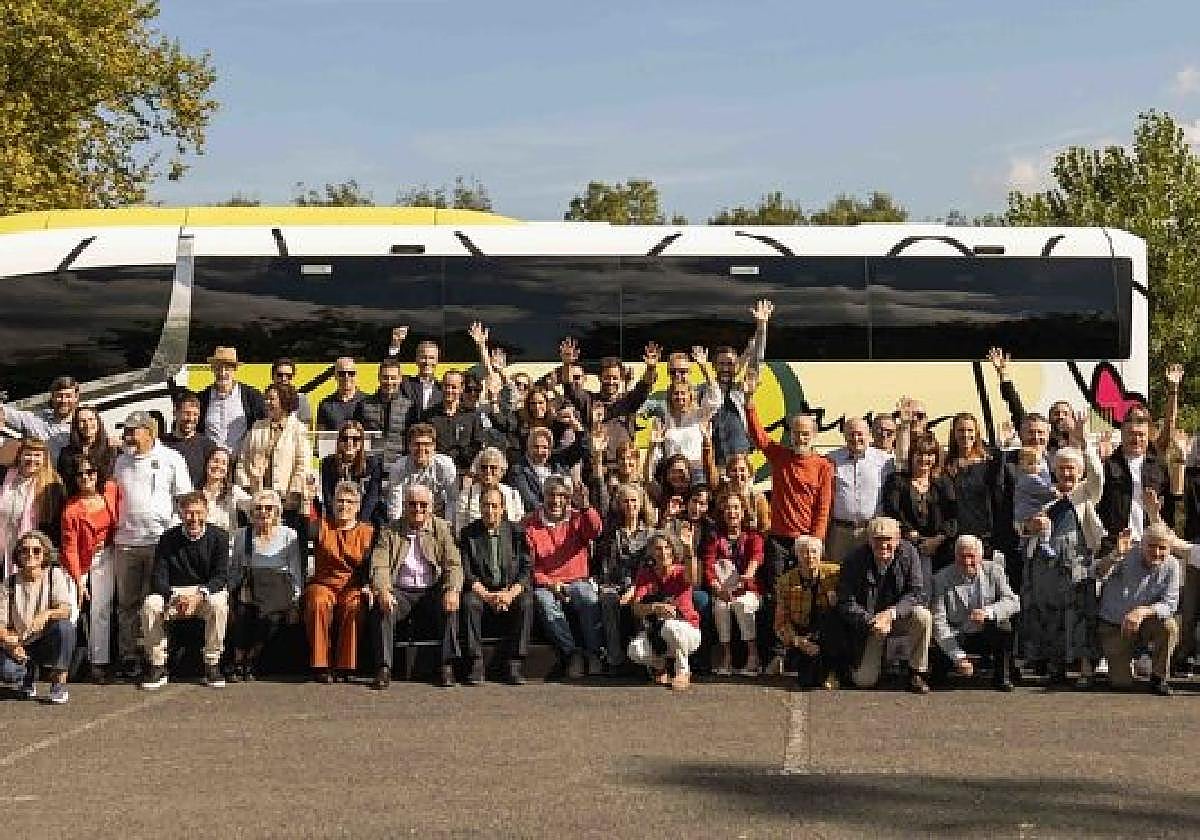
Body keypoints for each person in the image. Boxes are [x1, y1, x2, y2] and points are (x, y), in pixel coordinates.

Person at [111, 410, 192, 678]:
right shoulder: (120, 461)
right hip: (126, 542)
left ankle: (154, 656)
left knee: (155, 601)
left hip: (159, 542)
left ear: (150, 431)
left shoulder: (171, 459)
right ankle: (128, 656)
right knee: (127, 604)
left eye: (133, 431)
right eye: (126, 432)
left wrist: (176, 536)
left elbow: (184, 498)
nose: (128, 436)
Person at [1020, 445, 1104, 687]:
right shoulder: (1042, 491)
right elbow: (1020, 523)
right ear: (1054, 470)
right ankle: (1055, 666)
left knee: (1081, 613)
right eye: (1062, 468)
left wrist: (1085, 442)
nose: (1067, 473)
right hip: (1045, 560)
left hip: (1076, 559)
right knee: (1049, 613)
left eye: (1072, 469)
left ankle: (1085, 668)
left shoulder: (1086, 492)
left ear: (1080, 471)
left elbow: (1097, 473)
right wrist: (1029, 527)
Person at [368, 483, 462, 689]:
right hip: (400, 591)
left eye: (423, 505)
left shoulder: (442, 529)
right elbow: (379, 564)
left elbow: (453, 564)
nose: (417, 509)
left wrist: (452, 589)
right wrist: (383, 589)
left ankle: (447, 666)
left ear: (431, 506)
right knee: (381, 608)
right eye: (412, 504)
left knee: (451, 606)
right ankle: (384, 668)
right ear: (404, 506)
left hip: (431, 590)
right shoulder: (389, 530)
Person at [743, 367, 833, 579]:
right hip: (779, 540)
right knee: (776, 589)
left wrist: (816, 539)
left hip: (807, 541)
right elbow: (759, 436)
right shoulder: (779, 455)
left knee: (805, 589)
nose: (800, 438)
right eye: (796, 433)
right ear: (790, 434)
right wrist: (749, 400)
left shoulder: (823, 466)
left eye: (805, 434)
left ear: (814, 435)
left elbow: (823, 506)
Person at [139, 491, 229, 690]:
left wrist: (199, 595)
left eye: (198, 513)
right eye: (189, 513)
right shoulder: (168, 539)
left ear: (206, 512)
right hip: (175, 592)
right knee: (151, 605)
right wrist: (174, 596)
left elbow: (221, 576)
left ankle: (212, 664)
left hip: (204, 592)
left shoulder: (219, 537)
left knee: (219, 604)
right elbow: (158, 577)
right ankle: (157, 665)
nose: (194, 518)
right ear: (180, 514)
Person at [836, 516, 933, 694]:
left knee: (923, 616)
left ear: (897, 540)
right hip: (870, 624)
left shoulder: (909, 553)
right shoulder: (853, 560)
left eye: (888, 539)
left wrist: (892, 613)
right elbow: (845, 602)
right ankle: (877, 664)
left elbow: (917, 592)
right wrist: (871, 621)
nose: (883, 545)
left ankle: (916, 672)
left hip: (897, 616)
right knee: (864, 681)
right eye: (877, 539)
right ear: (869, 540)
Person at [526, 474, 604, 679]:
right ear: (543, 496)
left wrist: (586, 506)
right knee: (543, 600)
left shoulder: (578, 518)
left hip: (578, 579)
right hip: (547, 583)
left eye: (562, 496)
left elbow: (596, 531)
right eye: (552, 495)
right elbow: (529, 566)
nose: (557, 501)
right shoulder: (531, 525)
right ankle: (572, 654)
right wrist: (550, 583)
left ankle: (594, 653)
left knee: (587, 597)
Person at [1093, 522, 1180, 695]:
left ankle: (1159, 677)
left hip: (1146, 622)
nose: (1156, 552)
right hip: (1116, 625)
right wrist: (1115, 555)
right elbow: (1096, 573)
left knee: (1169, 626)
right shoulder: (1125, 555)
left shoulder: (1172, 565)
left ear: (1169, 548)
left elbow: (1170, 604)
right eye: (1151, 546)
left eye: (1162, 548)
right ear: (1142, 544)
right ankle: (1124, 662)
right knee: (1121, 684)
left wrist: (1141, 611)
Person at [459, 486, 533, 685]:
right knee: (469, 603)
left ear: (503, 509)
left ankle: (515, 663)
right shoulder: (468, 534)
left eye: (494, 506)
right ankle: (475, 663)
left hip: (509, 589)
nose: (489, 511)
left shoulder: (517, 533)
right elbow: (467, 573)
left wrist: (510, 594)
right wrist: (489, 596)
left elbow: (526, 569)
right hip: (482, 591)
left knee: (526, 602)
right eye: (485, 506)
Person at [304, 480, 374, 683]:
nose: (344, 506)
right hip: (323, 584)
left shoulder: (368, 532)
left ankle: (345, 665)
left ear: (358, 506)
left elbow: (372, 565)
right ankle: (321, 665)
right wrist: (308, 499)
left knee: (355, 605)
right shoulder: (321, 526)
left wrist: (369, 586)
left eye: (350, 502)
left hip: (352, 585)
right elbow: (304, 522)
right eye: (339, 501)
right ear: (332, 503)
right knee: (318, 602)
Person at [228, 489, 302, 680]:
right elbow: (235, 569)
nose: (263, 513)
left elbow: (295, 571)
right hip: (250, 585)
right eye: (258, 509)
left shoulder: (289, 535)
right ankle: (238, 660)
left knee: (271, 617)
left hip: (277, 587)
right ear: (251, 513)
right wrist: (229, 595)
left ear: (277, 512)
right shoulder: (242, 535)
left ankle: (252, 658)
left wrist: (295, 601)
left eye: (269, 509)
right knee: (243, 611)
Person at [930, 534, 1021, 691]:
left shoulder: (995, 570)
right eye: (962, 556)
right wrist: (958, 656)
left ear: (981, 556)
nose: (967, 562)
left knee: (1004, 627)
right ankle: (945, 668)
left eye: (971, 556)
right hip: (956, 634)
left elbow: (1013, 602)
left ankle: (1002, 677)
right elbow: (939, 621)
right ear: (955, 556)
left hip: (986, 631)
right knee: (938, 679)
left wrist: (988, 612)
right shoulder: (940, 578)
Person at [59, 453, 120, 683]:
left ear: (98, 473)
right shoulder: (71, 509)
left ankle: (99, 663)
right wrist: (77, 580)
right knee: (72, 610)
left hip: (106, 557)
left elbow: (118, 521)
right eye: (80, 474)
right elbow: (70, 548)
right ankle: (61, 665)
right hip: (79, 562)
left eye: (90, 472)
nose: (85, 477)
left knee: (101, 610)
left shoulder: (110, 491)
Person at [0, 531, 76, 703]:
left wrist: (47, 614)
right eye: (24, 550)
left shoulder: (54, 575)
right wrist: (9, 642)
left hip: (45, 641)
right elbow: (1, 623)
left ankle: (58, 683)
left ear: (45, 554)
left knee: (65, 627)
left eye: (36, 550)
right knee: (7, 672)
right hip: (20, 644)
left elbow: (66, 609)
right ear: (18, 554)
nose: (30, 555)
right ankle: (26, 677)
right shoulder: (9, 583)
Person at [559, 338, 661, 467]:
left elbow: (644, 386)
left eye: (615, 378)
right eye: (607, 377)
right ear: (600, 378)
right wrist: (567, 364)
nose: (611, 382)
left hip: (623, 468)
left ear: (621, 379)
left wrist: (651, 367)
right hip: (595, 468)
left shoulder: (628, 401)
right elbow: (569, 388)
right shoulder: (589, 400)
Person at [881, 431, 958, 590]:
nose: (925, 459)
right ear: (912, 456)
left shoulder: (944, 482)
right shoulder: (897, 481)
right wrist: (912, 535)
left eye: (930, 454)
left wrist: (937, 540)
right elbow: (892, 512)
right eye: (920, 454)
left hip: (940, 549)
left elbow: (953, 515)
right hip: (907, 547)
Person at [700, 299, 772, 466]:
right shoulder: (702, 391)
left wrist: (761, 327)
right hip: (713, 463)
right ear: (714, 366)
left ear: (737, 365)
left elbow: (756, 361)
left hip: (740, 464)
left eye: (730, 364)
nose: (726, 368)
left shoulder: (742, 388)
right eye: (722, 364)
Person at [627, 532, 702, 691]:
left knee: (671, 627)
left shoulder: (681, 571)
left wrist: (689, 550)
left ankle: (683, 671)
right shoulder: (645, 574)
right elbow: (636, 608)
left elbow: (693, 578)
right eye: (658, 549)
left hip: (687, 631)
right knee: (635, 650)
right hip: (658, 635)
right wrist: (655, 607)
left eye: (667, 547)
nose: (664, 552)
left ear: (674, 550)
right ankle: (661, 666)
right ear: (651, 552)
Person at [593, 483, 653, 673]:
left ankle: (648, 658)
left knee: (642, 600)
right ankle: (614, 658)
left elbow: (651, 569)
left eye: (634, 501)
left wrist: (635, 588)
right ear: (619, 504)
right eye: (625, 501)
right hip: (615, 584)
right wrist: (608, 586)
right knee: (608, 599)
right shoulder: (611, 533)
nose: (630, 505)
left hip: (641, 584)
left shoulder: (651, 534)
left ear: (641, 503)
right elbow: (606, 567)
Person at [702, 491, 764, 677]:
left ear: (743, 511)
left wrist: (747, 577)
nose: (732, 512)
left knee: (741, 604)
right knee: (720, 608)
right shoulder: (715, 537)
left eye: (736, 507)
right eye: (728, 508)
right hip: (723, 590)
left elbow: (756, 557)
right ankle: (726, 656)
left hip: (748, 589)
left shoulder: (753, 536)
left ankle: (753, 655)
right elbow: (708, 565)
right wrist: (717, 588)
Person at [774, 535, 844, 689]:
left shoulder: (835, 574)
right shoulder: (785, 582)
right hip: (802, 633)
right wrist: (799, 641)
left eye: (814, 552)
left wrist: (835, 597)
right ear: (797, 555)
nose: (810, 557)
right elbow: (780, 623)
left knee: (834, 619)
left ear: (821, 554)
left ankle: (834, 671)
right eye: (804, 552)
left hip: (826, 631)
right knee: (806, 680)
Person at [235, 383, 309, 523]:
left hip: (286, 501)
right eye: (266, 399)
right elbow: (243, 459)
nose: (266, 403)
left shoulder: (298, 429)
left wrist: (293, 493)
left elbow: (302, 465)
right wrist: (246, 488)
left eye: (271, 399)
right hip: (258, 497)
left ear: (284, 401)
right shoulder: (257, 426)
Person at [825, 417, 893, 565]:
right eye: (851, 434)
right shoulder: (830, 459)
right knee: (836, 575)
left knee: (870, 575)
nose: (856, 438)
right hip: (840, 532)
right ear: (844, 436)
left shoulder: (885, 461)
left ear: (869, 435)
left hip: (871, 531)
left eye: (860, 434)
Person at [1098, 410, 1171, 544]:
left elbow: (1169, 506)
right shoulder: (1108, 465)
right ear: (1122, 434)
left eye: (1141, 435)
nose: (1136, 439)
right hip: (1116, 542)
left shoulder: (1159, 465)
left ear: (1148, 436)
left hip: (1151, 544)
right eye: (1131, 434)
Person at [648, 347, 721, 478]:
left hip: (697, 475)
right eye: (673, 372)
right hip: (672, 476)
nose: (678, 376)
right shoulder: (662, 414)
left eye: (683, 371)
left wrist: (704, 367)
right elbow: (657, 453)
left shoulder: (700, 413)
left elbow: (715, 397)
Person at [1, 436, 66, 578]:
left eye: (37, 455)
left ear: (44, 458)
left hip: (33, 554)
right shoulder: (6, 476)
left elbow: (56, 528)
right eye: (28, 454)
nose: (32, 459)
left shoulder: (52, 486)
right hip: (4, 548)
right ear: (20, 455)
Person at [197, 346, 266, 455]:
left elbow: (264, 427)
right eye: (218, 368)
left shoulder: (252, 397)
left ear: (234, 370)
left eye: (227, 368)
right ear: (213, 370)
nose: (222, 373)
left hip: (240, 464)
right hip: (212, 466)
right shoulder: (202, 398)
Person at [506, 426, 588, 514]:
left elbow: (581, 449)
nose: (540, 451)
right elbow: (529, 502)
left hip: (564, 517)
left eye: (544, 447)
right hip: (538, 519)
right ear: (528, 448)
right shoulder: (518, 470)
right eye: (536, 447)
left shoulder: (558, 466)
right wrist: (553, 513)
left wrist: (579, 429)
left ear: (550, 450)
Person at [387, 423, 458, 520]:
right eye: (417, 444)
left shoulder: (445, 465)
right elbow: (395, 504)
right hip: (408, 516)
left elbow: (452, 499)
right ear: (409, 446)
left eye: (426, 444)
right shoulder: (398, 468)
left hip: (437, 515)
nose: (421, 449)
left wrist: (448, 526)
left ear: (434, 446)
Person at [320, 419, 385, 526]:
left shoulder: (373, 464)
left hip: (364, 520)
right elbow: (328, 498)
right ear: (339, 442)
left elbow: (372, 498)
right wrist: (340, 520)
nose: (350, 443)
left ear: (361, 442)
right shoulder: (328, 464)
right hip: (337, 518)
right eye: (345, 439)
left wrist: (358, 524)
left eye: (355, 439)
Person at [353, 356, 415, 468]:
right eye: (385, 377)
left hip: (400, 466)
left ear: (400, 378)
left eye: (393, 378)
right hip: (370, 466)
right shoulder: (363, 405)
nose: (389, 382)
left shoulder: (410, 406)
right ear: (379, 378)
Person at [1, 375, 80, 460]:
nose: (64, 400)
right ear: (52, 398)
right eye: (59, 396)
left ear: (76, 398)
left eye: (68, 396)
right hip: (43, 472)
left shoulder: (85, 423)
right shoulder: (36, 420)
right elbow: (5, 413)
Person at [455, 447, 524, 535]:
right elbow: (460, 529)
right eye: (484, 467)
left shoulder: (513, 495)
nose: (488, 471)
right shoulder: (466, 495)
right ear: (478, 470)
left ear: (502, 471)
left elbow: (519, 526)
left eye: (493, 468)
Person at [426, 369, 485, 473]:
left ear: (461, 389)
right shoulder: (428, 416)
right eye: (446, 386)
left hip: (464, 472)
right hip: (435, 472)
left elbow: (478, 446)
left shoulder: (472, 416)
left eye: (454, 387)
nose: (449, 390)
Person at [162, 392, 217, 488]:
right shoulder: (162, 445)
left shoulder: (207, 445)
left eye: (195, 414)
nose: (191, 418)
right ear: (175, 413)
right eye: (186, 413)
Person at [56, 404, 118, 485]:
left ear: (98, 422)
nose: (87, 424)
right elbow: (66, 483)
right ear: (76, 425)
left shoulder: (111, 448)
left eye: (91, 419)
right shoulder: (67, 454)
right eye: (82, 421)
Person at [198, 446, 250, 533]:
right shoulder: (196, 492)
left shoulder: (233, 492)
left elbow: (252, 505)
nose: (218, 466)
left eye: (223, 463)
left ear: (227, 470)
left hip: (228, 543)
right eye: (215, 461)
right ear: (207, 463)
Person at [317, 357, 365, 432]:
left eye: (351, 373)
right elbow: (321, 438)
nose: (346, 377)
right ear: (335, 376)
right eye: (342, 374)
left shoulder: (368, 402)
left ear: (356, 375)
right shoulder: (325, 405)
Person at [271, 357, 312, 427]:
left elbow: (305, 431)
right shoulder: (265, 400)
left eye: (288, 376)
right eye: (279, 375)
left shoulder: (301, 400)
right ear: (272, 376)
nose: (284, 379)